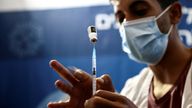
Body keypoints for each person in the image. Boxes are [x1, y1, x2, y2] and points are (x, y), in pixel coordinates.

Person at [47, 0, 192, 108]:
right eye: (121, 17)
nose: (127, 23)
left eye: (140, 10)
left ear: (174, 13)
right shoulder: (133, 88)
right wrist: (105, 102)